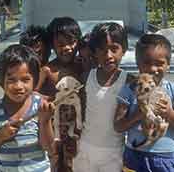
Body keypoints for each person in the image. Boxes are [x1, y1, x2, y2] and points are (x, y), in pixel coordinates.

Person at [73, 22, 128, 172]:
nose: (108, 55)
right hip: (85, 150)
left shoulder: (129, 82)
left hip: (114, 153)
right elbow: (81, 110)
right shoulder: (86, 77)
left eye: (114, 49)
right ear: (95, 53)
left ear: (124, 50)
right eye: (102, 50)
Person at [114, 34, 174, 172]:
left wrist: (169, 113)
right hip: (135, 157)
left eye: (159, 63)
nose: (153, 69)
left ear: (168, 65)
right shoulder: (129, 89)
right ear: (137, 62)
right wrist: (138, 114)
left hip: (166, 158)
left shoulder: (171, 90)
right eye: (147, 62)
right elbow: (118, 125)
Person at [0, 44, 51, 171]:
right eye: (11, 80)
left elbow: (49, 147)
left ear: (35, 80)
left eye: (25, 79)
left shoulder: (40, 105)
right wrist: (1, 136)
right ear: (1, 80)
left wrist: (45, 121)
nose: (18, 86)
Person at [36, 16, 83, 97]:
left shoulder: (82, 65)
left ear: (79, 42)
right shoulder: (47, 71)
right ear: (52, 45)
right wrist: (47, 100)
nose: (67, 48)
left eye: (72, 42)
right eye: (61, 44)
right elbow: (33, 94)